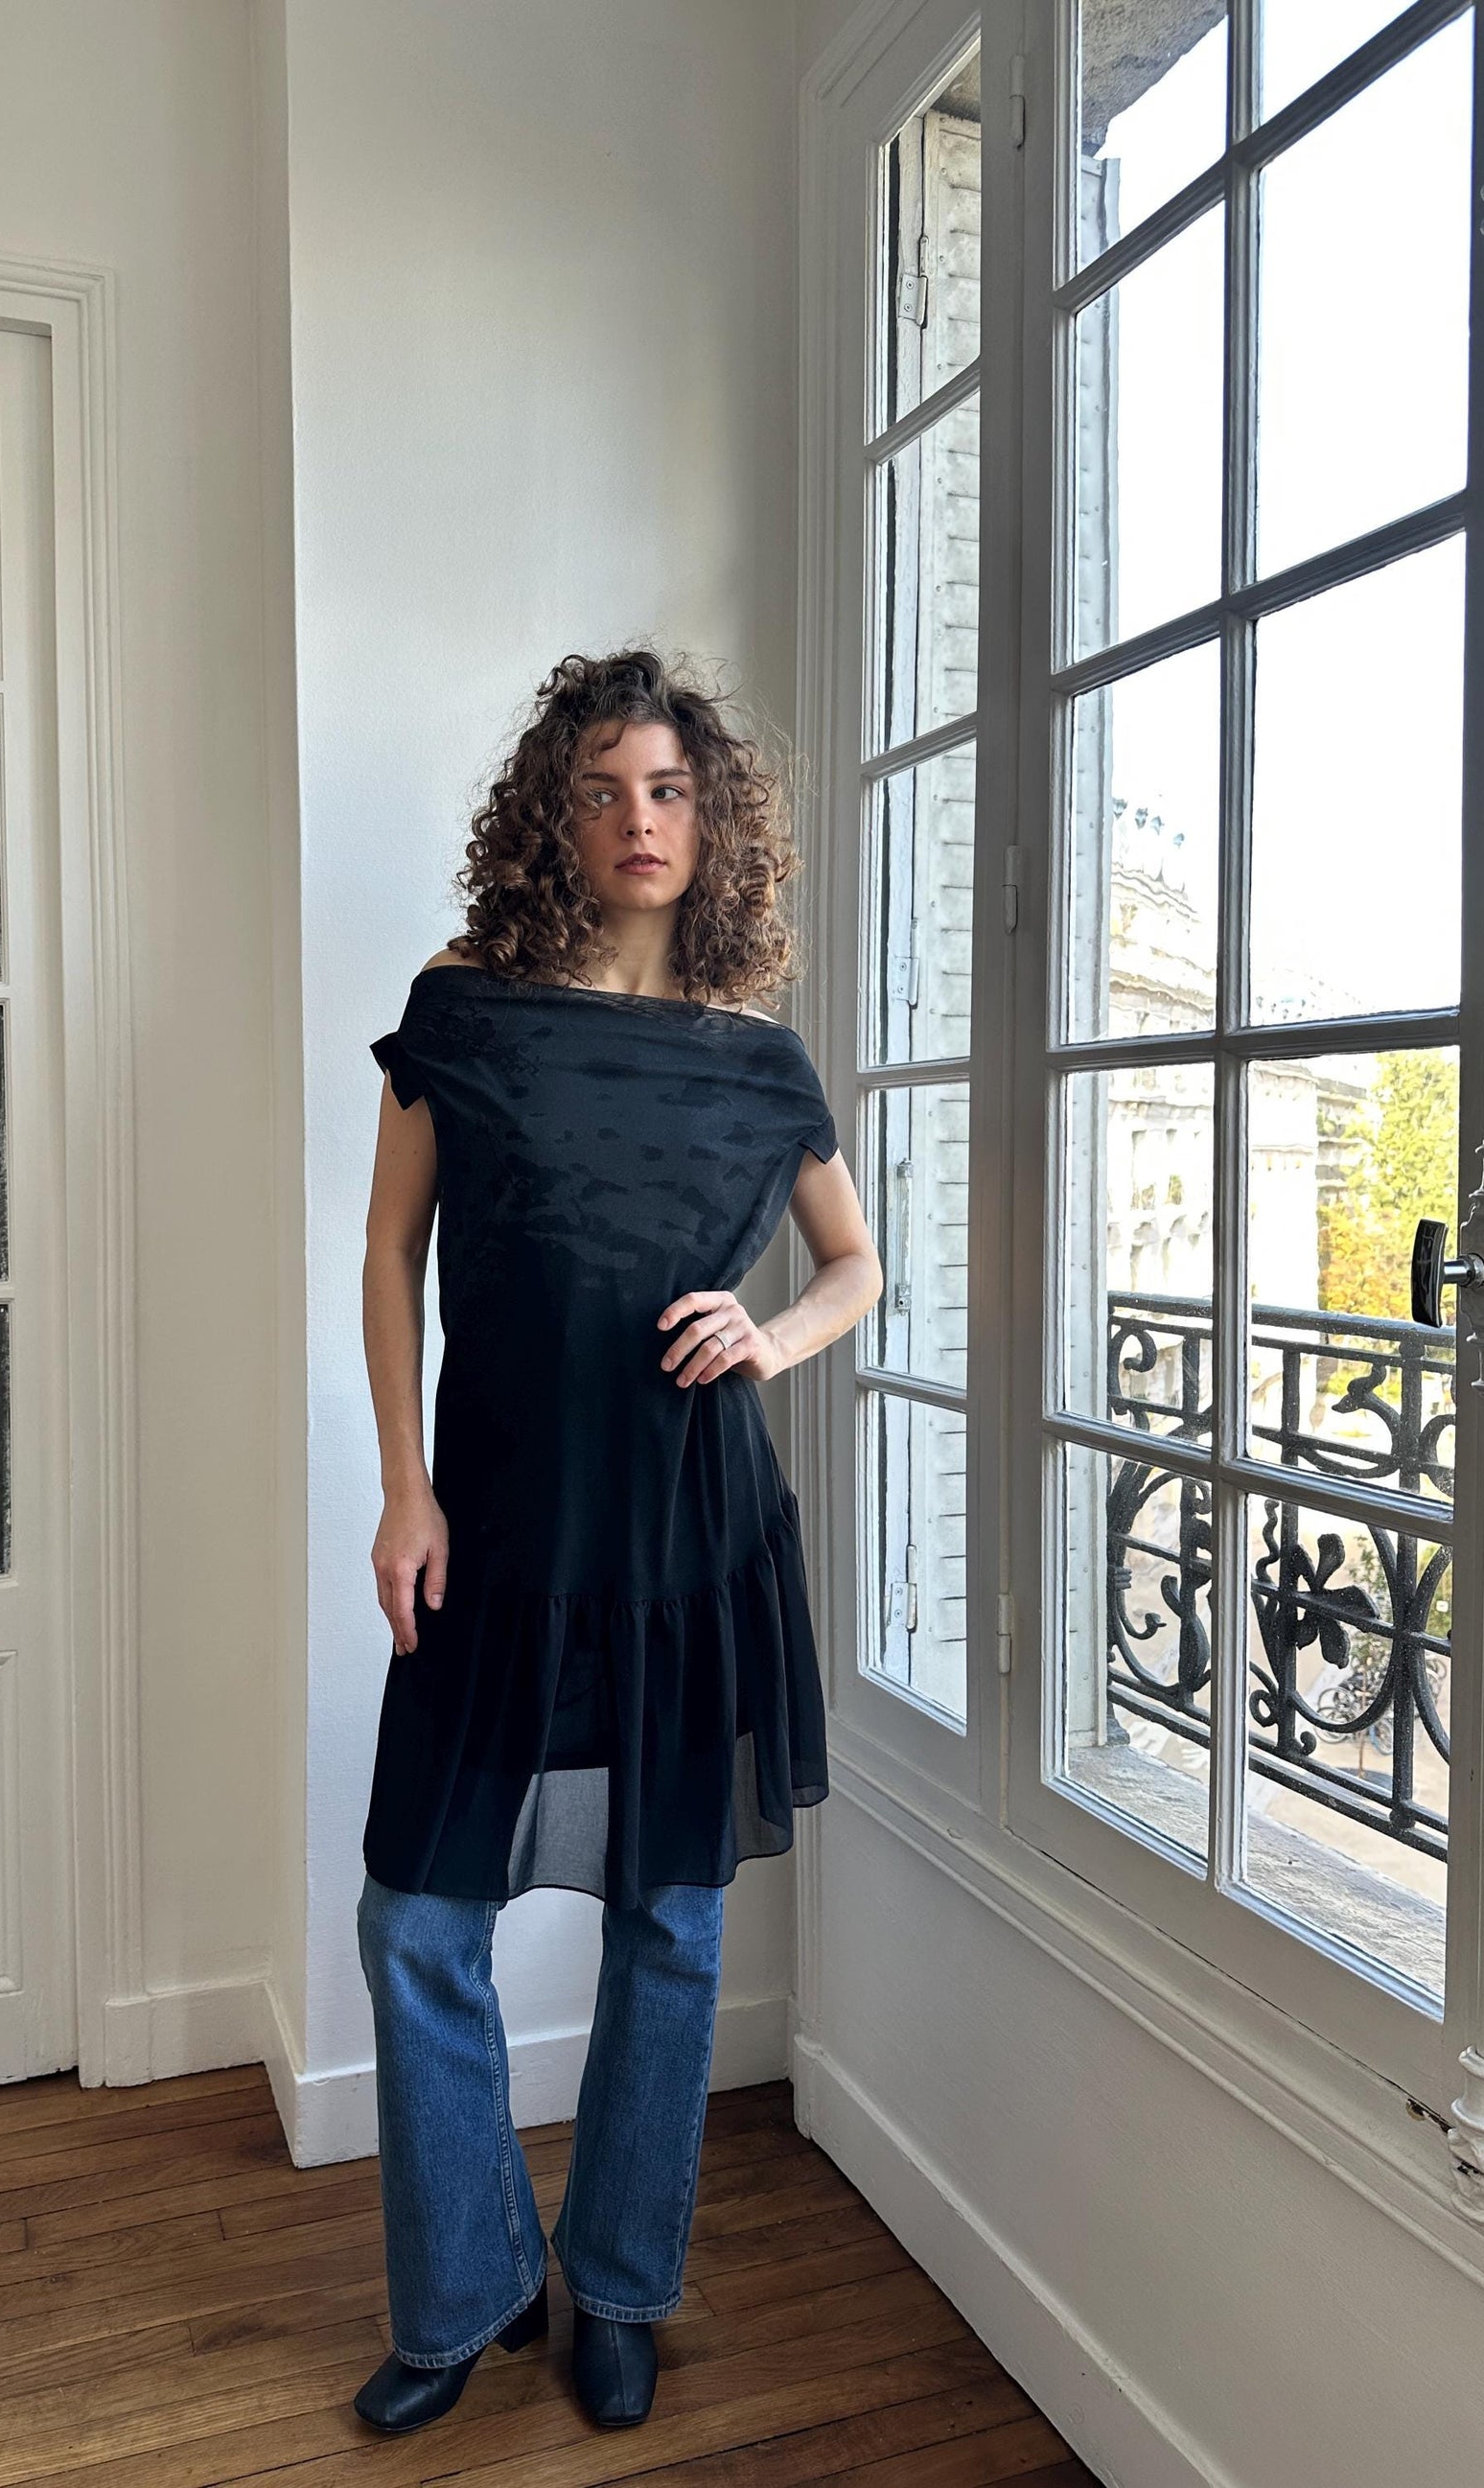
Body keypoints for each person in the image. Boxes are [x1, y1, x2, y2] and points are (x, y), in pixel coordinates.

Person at [353, 646, 883, 2435]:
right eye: (599, 789)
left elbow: (854, 1266)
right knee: (419, 1920)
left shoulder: (758, 1059)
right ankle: (470, 2288)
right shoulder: (464, 1003)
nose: (636, 820)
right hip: (490, 1523)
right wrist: (401, 1485)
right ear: (550, 820)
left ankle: (627, 2286)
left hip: (685, 1539)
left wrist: (771, 1336)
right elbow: (387, 1257)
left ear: (711, 819)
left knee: (669, 1920)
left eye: (666, 789)